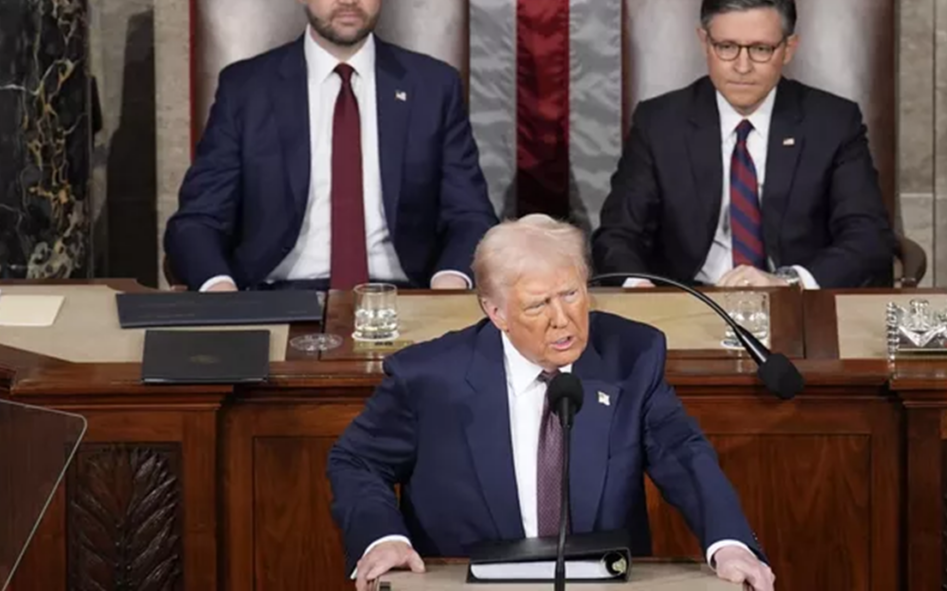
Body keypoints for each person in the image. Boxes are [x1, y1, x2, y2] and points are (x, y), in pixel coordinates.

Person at [327, 214, 775, 591]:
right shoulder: (429, 377)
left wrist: (729, 543)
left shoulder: (631, 357)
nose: (563, 320)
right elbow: (357, 460)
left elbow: (683, 453)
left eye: (571, 294)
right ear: (496, 312)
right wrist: (382, 538)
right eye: (538, 305)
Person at [164, 0, 497, 292]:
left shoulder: (433, 87)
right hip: (275, 296)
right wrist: (220, 290)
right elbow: (198, 220)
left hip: (405, 296)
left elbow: (470, 215)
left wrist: (448, 284)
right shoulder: (246, 89)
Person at [592, 0, 895, 290]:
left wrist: (789, 282)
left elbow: (868, 236)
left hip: (793, 300)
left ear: (788, 49)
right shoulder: (660, 123)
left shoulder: (833, 122)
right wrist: (639, 286)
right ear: (704, 43)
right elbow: (618, 234)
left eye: (761, 49)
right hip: (689, 298)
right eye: (726, 47)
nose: (742, 66)